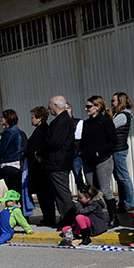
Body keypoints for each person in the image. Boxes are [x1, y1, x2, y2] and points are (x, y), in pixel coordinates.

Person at [79, 95, 119, 227]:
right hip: (88, 161)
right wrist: (82, 153)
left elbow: (113, 140)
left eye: (89, 106)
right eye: (86, 106)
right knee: (91, 191)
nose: (86, 109)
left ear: (98, 107)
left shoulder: (105, 121)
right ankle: (95, 217)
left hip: (103, 160)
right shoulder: (86, 123)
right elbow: (83, 141)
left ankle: (113, 217)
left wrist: (100, 151)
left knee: (105, 189)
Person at [42, 96, 77, 225]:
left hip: (58, 163)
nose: (49, 108)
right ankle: (66, 219)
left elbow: (54, 142)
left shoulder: (62, 121)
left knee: (62, 194)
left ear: (56, 106)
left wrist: (41, 151)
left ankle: (69, 221)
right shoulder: (61, 120)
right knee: (59, 194)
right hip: (56, 162)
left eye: (50, 105)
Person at [110, 92, 134, 214]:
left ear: (120, 101)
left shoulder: (122, 115)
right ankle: (123, 202)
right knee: (119, 177)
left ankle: (130, 203)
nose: (112, 103)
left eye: (114, 100)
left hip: (118, 149)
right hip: (117, 148)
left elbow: (109, 128)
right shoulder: (120, 115)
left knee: (123, 177)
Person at [25, 106, 52, 224]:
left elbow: (34, 149)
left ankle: (48, 218)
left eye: (33, 117)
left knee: (44, 195)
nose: (31, 119)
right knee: (44, 195)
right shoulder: (41, 130)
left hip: (40, 169)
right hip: (38, 168)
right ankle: (47, 217)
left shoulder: (41, 131)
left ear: (40, 118)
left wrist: (26, 152)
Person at [0, 109, 26, 194]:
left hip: (10, 165)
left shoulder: (10, 132)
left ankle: (17, 207)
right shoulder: (17, 131)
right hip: (16, 165)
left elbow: (2, 148)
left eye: (3, 117)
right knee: (17, 192)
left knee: (14, 193)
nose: (1, 120)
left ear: (7, 119)